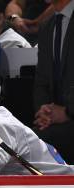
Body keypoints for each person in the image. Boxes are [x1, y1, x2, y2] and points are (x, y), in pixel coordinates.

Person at [33, 0, 74, 163]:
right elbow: (41, 80)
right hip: (55, 126)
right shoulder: (47, 27)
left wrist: (67, 112)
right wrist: (44, 113)